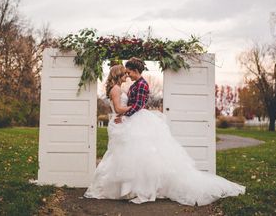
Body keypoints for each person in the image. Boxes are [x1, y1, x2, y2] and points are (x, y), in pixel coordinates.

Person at [84, 58, 245, 206]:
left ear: (135, 70)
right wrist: (122, 115)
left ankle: (146, 187)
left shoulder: (142, 85)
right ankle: (132, 187)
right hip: (130, 120)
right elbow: (128, 105)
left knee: (146, 154)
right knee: (134, 156)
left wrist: (123, 114)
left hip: (136, 120)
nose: (127, 75)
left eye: (129, 72)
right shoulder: (130, 86)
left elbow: (138, 105)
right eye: (125, 73)